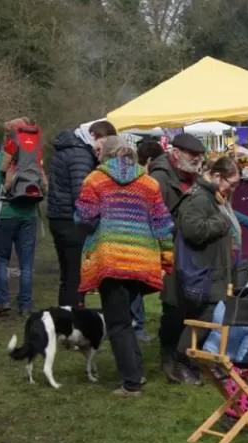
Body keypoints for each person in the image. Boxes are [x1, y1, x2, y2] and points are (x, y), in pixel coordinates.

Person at [75, 136, 174, 397]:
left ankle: (131, 384)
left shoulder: (95, 180)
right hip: (141, 260)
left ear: (105, 154)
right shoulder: (149, 183)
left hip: (110, 260)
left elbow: (85, 218)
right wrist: (167, 260)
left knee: (117, 324)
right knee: (125, 320)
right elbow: (163, 225)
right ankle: (137, 373)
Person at [170, 156, 241, 385]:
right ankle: (180, 363)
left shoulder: (213, 196)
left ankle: (195, 361)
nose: (233, 190)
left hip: (213, 270)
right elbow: (193, 230)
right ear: (217, 176)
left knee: (209, 315)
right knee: (206, 316)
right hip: (204, 271)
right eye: (231, 184)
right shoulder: (200, 198)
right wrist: (222, 222)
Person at [151, 133, 206, 381]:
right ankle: (168, 357)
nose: (197, 160)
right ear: (176, 154)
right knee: (173, 306)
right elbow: (154, 217)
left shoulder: (195, 177)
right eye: (192, 155)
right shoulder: (160, 178)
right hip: (169, 249)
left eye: (199, 156)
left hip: (193, 251)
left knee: (192, 305)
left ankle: (185, 356)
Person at [48, 120, 117, 308]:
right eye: (103, 142)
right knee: (76, 278)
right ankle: (74, 318)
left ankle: (64, 315)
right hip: (72, 222)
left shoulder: (67, 149)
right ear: (94, 136)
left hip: (57, 216)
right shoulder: (81, 156)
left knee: (66, 276)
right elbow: (82, 194)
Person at [0, 119, 45, 316]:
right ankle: (25, 305)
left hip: (7, 213)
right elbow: (43, 185)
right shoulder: (34, 157)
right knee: (26, 263)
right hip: (29, 214)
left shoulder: (1, 156)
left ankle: (2, 301)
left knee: (2, 259)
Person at [129, 140, 166, 343]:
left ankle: (136, 324)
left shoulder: (141, 179)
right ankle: (137, 326)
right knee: (136, 283)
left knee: (136, 284)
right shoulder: (147, 181)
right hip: (141, 239)